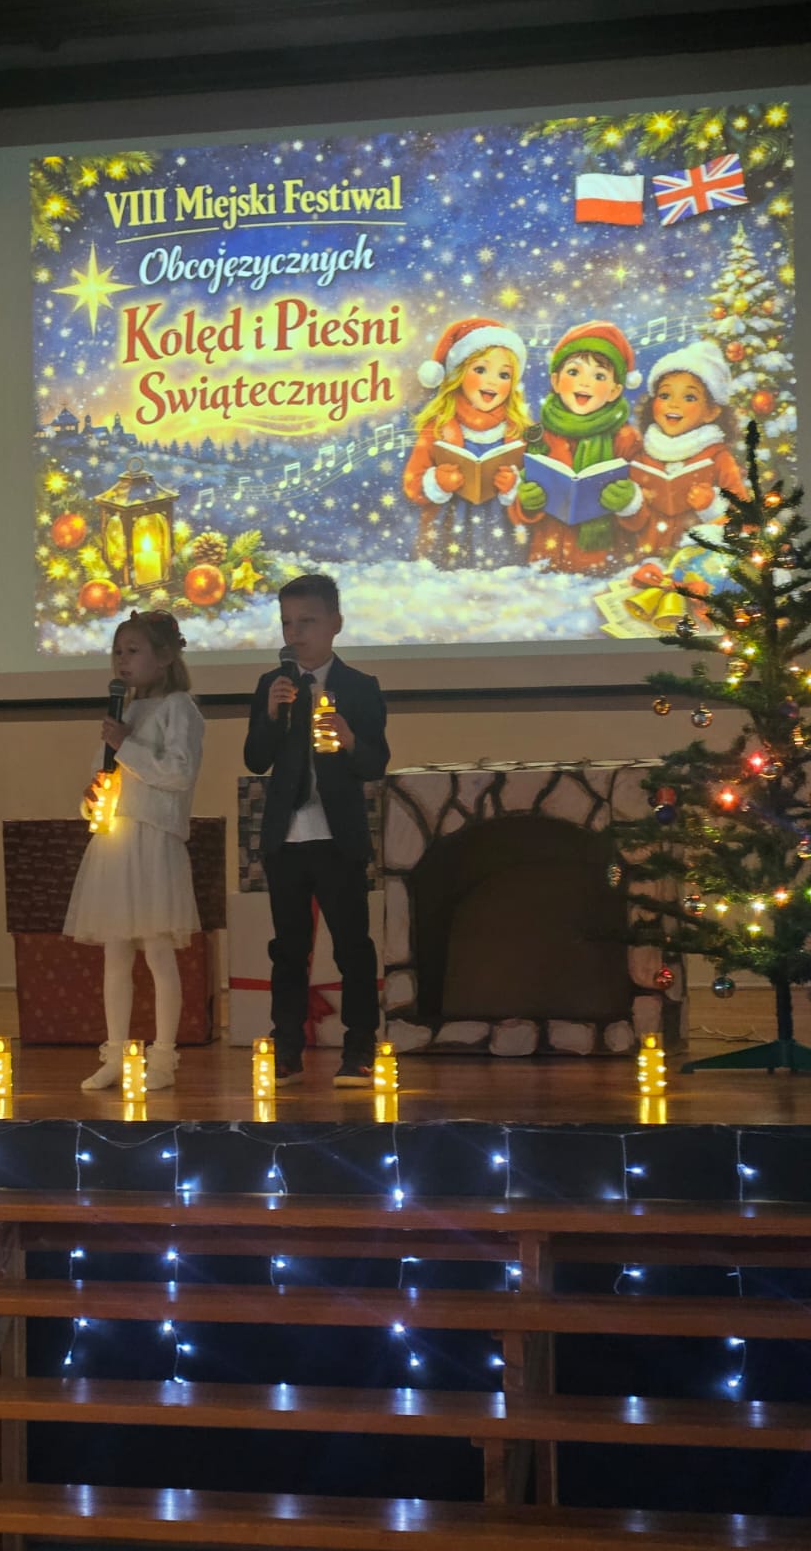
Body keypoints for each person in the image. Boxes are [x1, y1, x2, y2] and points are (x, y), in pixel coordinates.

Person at [244, 574, 390, 1086]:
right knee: (288, 948)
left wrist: (349, 739)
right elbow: (256, 759)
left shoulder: (360, 686)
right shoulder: (273, 684)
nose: (296, 633)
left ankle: (360, 1048)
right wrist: (270, 714)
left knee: (352, 946)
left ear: (335, 624)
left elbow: (374, 764)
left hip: (337, 836)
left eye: (307, 621)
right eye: (287, 623)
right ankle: (286, 1048)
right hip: (286, 837)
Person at [65, 610, 204, 1092]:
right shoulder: (123, 712)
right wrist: (92, 798)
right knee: (116, 952)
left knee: (158, 952)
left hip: (153, 839)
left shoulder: (179, 708)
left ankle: (162, 1059)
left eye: (133, 651)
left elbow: (178, 773)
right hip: (115, 840)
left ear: (164, 657)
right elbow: (105, 773)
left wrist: (125, 745)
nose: (122, 661)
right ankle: (116, 1054)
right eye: (117, 652)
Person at [510, 320, 647, 573]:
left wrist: (629, 502)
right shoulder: (538, 435)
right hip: (545, 561)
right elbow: (517, 513)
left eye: (599, 376)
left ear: (615, 390)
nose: (585, 383)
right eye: (574, 372)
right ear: (555, 381)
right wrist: (526, 501)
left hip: (601, 566)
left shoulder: (627, 439)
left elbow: (645, 516)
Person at [402, 317, 531, 570]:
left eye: (504, 374)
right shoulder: (438, 426)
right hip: (448, 530)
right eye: (480, 370)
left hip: (502, 534)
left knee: (503, 579)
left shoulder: (518, 429)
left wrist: (515, 486)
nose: (492, 381)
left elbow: (537, 490)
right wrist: (436, 481)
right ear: (458, 374)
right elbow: (412, 482)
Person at [632, 340, 745, 554]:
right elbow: (631, 525)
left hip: (699, 559)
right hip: (647, 558)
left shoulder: (718, 457)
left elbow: (743, 516)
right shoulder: (642, 454)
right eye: (665, 395)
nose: (674, 404)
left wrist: (712, 506)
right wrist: (632, 504)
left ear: (711, 412)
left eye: (689, 397)